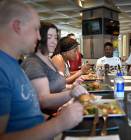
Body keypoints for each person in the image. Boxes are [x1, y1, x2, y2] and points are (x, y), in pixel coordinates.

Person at [0, 0, 83, 139]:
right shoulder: (3, 69)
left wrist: (59, 117)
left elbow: (30, 114)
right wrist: (59, 123)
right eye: (35, 29)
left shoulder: (14, 65)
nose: (39, 37)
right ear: (17, 26)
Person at [21, 22, 88, 114]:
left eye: (56, 37)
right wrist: (71, 93)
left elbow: (57, 88)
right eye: (49, 37)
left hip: (61, 110)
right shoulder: (33, 62)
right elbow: (43, 101)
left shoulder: (48, 60)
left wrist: (73, 87)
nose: (54, 41)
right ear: (38, 38)